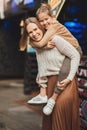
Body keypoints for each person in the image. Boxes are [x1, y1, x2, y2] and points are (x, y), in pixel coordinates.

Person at [19, 16, 80, 118]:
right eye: (30, 32)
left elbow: (76, 55)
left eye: (35, 29)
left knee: (60, 113)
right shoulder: (37, 46)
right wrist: (39, 74)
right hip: (50, 84)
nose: (34, 34)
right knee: (50, 118)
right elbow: (43, 62)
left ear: (41, 27)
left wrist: (69, 79)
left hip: (64, 82)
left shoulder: (55, 39)